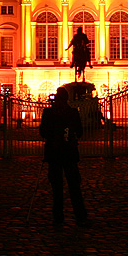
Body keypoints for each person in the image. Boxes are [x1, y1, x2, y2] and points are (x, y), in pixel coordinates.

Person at [39, 86, 90, 228]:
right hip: (69, 153)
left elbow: (43, 132)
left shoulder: (48, 112)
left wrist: (52, 136)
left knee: (57, 188)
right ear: (67, 99)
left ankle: (58, 218)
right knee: (74, 187)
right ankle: (80, 216)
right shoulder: (73, 112)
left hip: (54, 153)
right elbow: (79, 132)